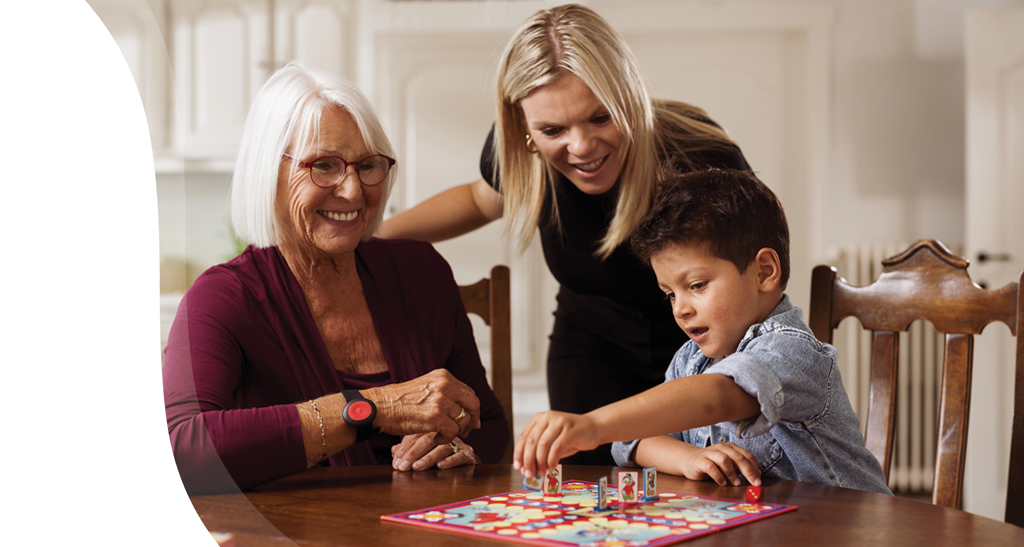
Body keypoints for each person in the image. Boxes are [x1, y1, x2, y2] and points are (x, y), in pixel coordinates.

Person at [379, 4, 750, 465]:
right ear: (525, 129)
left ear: (629, 98)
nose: (580, 147)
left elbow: (752, 280)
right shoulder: (520, 153)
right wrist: (370, 238)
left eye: (600, 118)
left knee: (702, 489)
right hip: (591, 346)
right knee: (583, 494)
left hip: (702, 348)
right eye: (553, 129)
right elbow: (480, 200)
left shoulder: (702, 155)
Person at [163, 63, 509, 494]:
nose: (352, 190)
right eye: (323, 165)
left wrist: (459, 446)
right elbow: (179, 451)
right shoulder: (222, 297)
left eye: (367, 165)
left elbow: (491, 425)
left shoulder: (423, 272)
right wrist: (373, 407)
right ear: (267, 173)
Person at [512, 168, 891, 495]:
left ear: (763, 272)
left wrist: (593, 425)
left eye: (696, 285)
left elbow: (721, 396)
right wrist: (689, 458)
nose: (681, 308)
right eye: (669, 294)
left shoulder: (792, 350)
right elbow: (633, 439)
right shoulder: (690, 359)